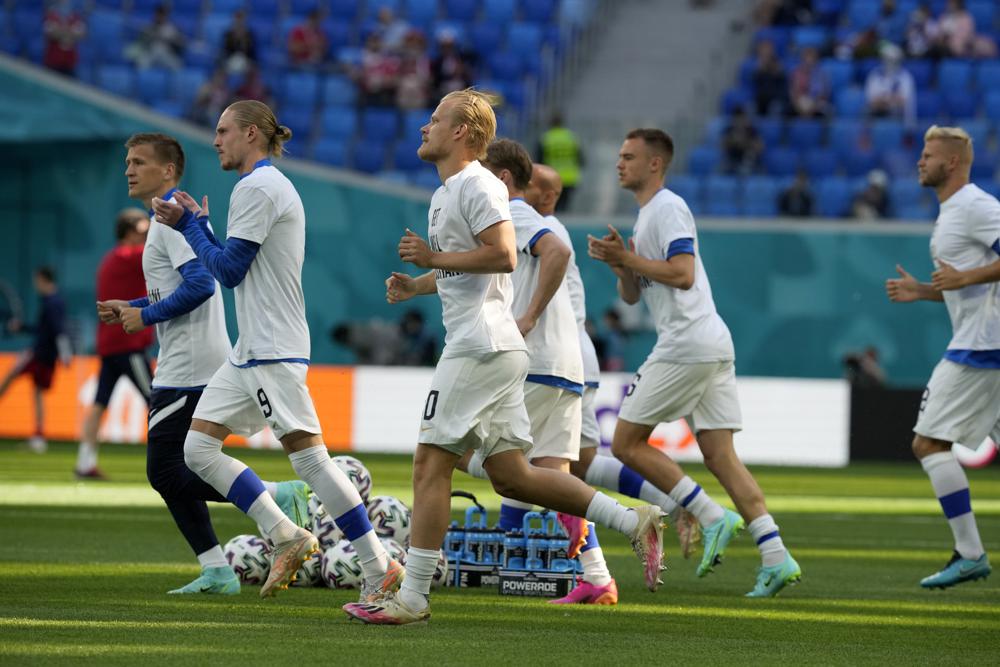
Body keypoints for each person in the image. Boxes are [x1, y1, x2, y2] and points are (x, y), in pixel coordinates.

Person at [341, 90, 664, 625]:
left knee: (429, 464)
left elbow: (505, 255)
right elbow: (466, 270)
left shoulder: (480, 184)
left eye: (436, 119)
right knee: (514, 476)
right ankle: (634, 521)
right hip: (492, 347)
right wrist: (420, 282)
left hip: (479, 346)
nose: (425, 127)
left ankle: (413, 595)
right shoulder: (448, 192)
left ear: (463, 132)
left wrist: (432, 255)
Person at [150, 100, 400, 602]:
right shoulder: (258, 187)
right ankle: (286, 534)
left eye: (223, 131)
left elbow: (227, 272)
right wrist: (199, 226)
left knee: (312, 462)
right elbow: (234, 260)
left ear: (250, 134)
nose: (216, 140)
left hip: (273, 348)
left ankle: (379, 566)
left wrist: (188, 227)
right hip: (251, 349)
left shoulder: (259, 186)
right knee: (196, 449)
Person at [588, 128, 801, 597]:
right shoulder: (647, 218)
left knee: (626, 442)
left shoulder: (667, 208)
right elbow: (631, 294)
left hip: (687, 342)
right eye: (619, 156)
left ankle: (708, 514)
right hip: (709, 342)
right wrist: (621, 264)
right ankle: (776, 556)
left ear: (655, 164)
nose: (619, 163)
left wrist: (630, 256)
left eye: (629, 157)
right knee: (721, 456)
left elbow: (682, 276)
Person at [100, 132, 309, 595]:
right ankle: (217, 569)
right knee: (172, 472)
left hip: (191, 368)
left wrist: (145, 314)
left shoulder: (169, 219)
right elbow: (182, 283)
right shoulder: (169, 217)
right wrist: (134, 304)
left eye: (138, 162)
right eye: (126, 161)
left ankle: (277, 498)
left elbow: (201, 286)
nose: (128, 169)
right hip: (185, 364)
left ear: (168, 170)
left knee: (167, 470)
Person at [527, 163, 702, 573]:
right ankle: (670, 506)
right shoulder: (541, 225)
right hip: (573, 353)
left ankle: (542, 548)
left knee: (531, 463)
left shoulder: (535, 227)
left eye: (521, 180)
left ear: (547, 194)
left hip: (555, 352)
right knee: (579, 464)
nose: (509, 184)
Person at [885, 125, 995, 589]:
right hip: (984, 341)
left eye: (928, 155)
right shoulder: (952, 211)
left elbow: (972, 280)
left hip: (982, 347)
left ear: (951, 163)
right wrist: (926, 292)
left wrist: (964, 279)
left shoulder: (974, 206)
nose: (919, 161)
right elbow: (970, 285)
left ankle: (969, 553)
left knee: (928, 443)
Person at [76, 209, 153, 480]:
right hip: (128, 344)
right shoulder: (130, 256)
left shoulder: (110, 259)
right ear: (130, 232)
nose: (147, 237)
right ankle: (172, 459)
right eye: (143, 232)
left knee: (99, 404)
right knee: (156, 402)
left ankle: (85, 462)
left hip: (110, 345)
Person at [0, 267, 71, 453]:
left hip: (39, 354)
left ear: (42, 279)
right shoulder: (53, 301)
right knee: (37, 393)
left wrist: (65, 353)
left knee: (8, 380)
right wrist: (22, 327)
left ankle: (39, 437)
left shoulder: (52, 302)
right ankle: (39, 436)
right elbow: (45, 329)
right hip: (46, 356)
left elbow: (58, 330)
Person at [539, 114, 583, 212]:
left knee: (552, 207)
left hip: (551, 178)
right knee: (565, 207)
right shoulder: (571, 137)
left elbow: (539, 160)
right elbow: (581, 159)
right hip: (570, 177)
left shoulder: (546, 138)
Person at [865, 43, 916, 128]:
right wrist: (892, 100)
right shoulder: (874, 75)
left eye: (893, 59)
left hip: (900, 118)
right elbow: (872, 102)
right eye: (887, 59)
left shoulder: (906, 77)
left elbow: (903, 102)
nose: (890, 62)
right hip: (878, 116)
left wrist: (884, 99)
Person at [127, 3, 184, 71]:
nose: (160, 17)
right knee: (140, 62)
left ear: (166, 16)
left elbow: (181, 45)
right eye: (158, 15)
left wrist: (169, 40)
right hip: (150, 53)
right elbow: (141, 42)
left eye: (162, 15)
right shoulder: (147, 28)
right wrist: (149, 36)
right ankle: (141, 79)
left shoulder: (172, 29)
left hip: (165, 55)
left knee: (177, 65)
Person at [42, 0, 85, 77]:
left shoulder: (76, 16)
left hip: (69, 64)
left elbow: (81, 34)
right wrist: (69, 33)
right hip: (53, 61)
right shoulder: (51, 15)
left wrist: (60, 31)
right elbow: (51, 33)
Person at [788, 47, 829, 118]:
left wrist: (813, 107)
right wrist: (798, 106)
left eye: (812, 58)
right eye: (807, 58)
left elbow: (824, 93)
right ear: (803, 59)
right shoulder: (797, 73)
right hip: (799, 104)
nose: (809, 60)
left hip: (816, 104)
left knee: (827, 110)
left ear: (816, 60)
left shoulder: (821, 74)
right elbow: (793, 92)